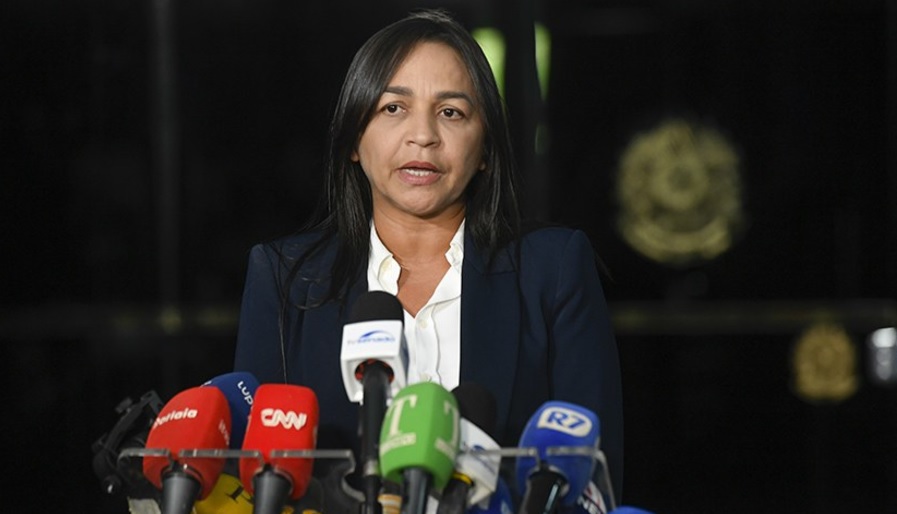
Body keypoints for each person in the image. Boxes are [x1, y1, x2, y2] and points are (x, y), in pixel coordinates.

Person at [233, 7, 624, 506]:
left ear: (485, 149)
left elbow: (593, 482)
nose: (423, 135)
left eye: (451, 112)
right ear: (353, 138)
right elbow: (252, 483)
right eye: (393, 108)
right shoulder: (285, 278)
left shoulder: (553, 270)